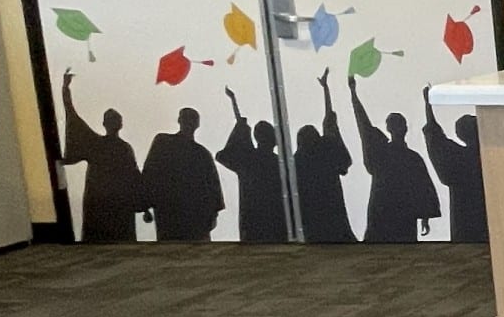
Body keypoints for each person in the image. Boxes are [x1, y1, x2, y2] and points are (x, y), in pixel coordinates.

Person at [351, 73, 443, 243]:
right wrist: (353, 94)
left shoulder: (385, 154)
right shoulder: (410, 158)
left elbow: (364, 126)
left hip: (388, 210)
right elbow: (364, 125)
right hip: (394, 212)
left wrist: (353, 94)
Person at [57, 71, 147, 242]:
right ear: (120, 125)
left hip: (100, 202)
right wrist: (144, 205)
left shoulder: (96, 145)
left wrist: (65, 88)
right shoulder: (123, 148)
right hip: (118, 204)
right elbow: (134, 177)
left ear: (105, 124)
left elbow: (72, 115)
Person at [138, 106, 226, 243]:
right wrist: (144, 205)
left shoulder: (166, 144)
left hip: (183, 215)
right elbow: (150, 173)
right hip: (175, 214)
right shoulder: (200, 153)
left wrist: (144, 205)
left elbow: (149, 173)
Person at [291, 72, 356, 244]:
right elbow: (330, 124)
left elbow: (329, 123)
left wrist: (326, 90)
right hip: (331, 213)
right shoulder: (325, 150)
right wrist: (326, 90)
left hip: (313, 218)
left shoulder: (298, 160)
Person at [217, 88, 287, 243]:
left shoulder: (248, 159)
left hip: (253, 224)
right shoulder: (279, 164)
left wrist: (238, 119)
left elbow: (226, 153)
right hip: (275, 224)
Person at [420, 89, 487, 244]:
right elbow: (435, 136)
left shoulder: (458, 156)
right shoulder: (489, 155)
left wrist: (428, 106)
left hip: (464, 217)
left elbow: (435, 137)